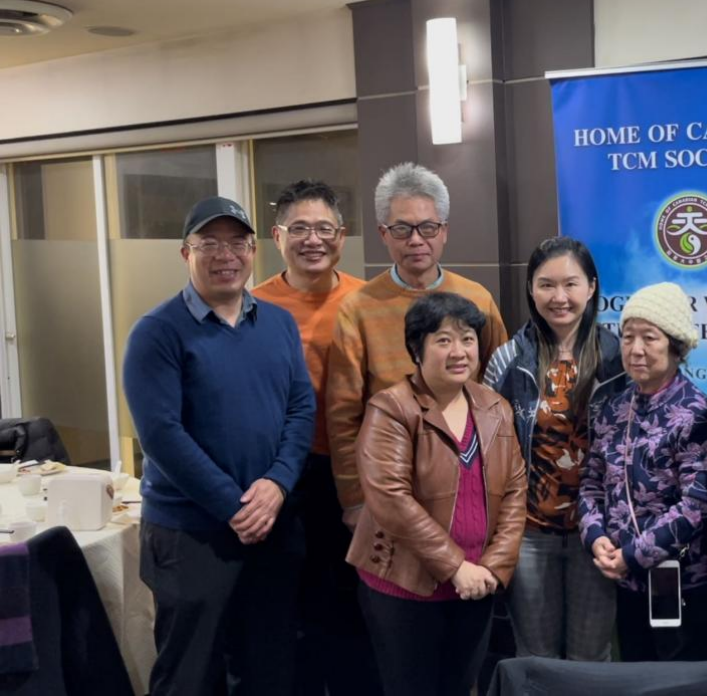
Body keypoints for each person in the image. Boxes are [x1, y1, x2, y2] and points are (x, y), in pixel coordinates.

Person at [123, 196, 315, 696]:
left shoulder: (278, 323)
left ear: (254, 251)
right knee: (189, 672)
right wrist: (235, 507)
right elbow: (161, 435)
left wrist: (277, 484)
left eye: (237, 243)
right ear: (185, 252)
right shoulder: (157, 333)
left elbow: (301, 410)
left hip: (273, 523)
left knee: (269, 667)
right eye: (209, 243)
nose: (225, 255)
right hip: (190, 532)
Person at [347, 292, 526, 696]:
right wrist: (455, 566)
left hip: (477, 585)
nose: (459, 351)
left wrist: (493, 568)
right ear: (417, 349)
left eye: (467, 339)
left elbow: (516, 490)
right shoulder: (391, 408)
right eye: (443, 340)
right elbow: (391, 499)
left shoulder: (495, 407)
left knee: (460, 687)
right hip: (405, 587)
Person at [327, 162, 508, 530]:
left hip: (472, 482)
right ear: (383, 233)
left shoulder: (477, 299)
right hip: (391, 486)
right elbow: (343, 416)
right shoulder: (357, 309)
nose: (416, 240)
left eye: (428, 227)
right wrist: (355, 498)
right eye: (401, 229)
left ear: (444, 231)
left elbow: (500, 394)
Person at [251, 179, 375, 696]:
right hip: (280, 475)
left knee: (349, 606)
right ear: (277, 236)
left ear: (342, 236)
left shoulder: (365, 300)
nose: (313, 240)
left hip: (350, 474)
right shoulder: (253, 305)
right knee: (285, 609)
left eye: (324, 228)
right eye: (299, 228)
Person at [483, 236, 627, 661]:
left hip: (597, 536)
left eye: (570, 284)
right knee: (536, 658)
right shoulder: (509, 359)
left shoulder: (618, 358)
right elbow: (489, 451)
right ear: (531, 289)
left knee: (591, 657)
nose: (559, 297)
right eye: (546, 284)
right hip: (530, 534)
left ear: (592, 287)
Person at [579, 282, 707, 662]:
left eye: (649, 337)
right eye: (628, 337)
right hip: (626, 582)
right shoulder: (612, 410)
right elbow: (591, 482)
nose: (635, 349)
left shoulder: (697, 413)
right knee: (636, 680)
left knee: (684, 685)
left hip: (686, 583)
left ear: (676, 346)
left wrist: (633, 554)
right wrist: (595, 537)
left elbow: (698, 505)